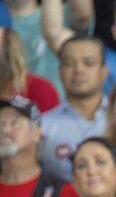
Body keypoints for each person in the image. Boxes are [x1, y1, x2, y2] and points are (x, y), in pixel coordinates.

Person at [39, 37, 109, 183]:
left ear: (104, 72)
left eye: (88, 63)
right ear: (60, 72)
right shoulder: (42, 126)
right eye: (69, 63)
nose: (79, 70)